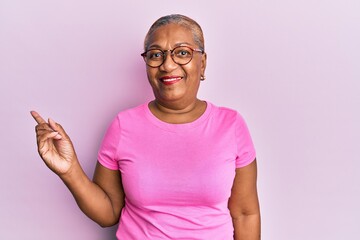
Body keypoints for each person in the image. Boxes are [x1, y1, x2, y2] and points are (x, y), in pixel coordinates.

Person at [31, 14, 260, 240]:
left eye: (182, 53)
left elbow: (245, 213)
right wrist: (69, 170)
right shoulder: (124, 126)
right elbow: (108, 213)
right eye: (156, 55)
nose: (167, 64)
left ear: (203, 63)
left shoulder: (231, 125)